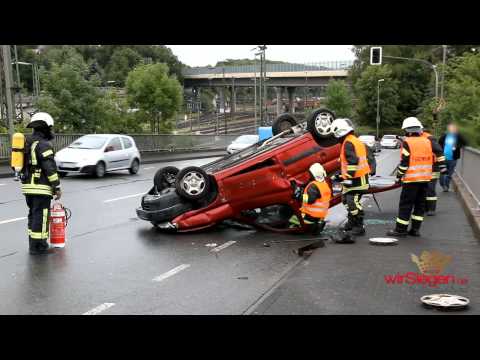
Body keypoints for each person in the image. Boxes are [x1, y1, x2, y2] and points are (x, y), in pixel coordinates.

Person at [387, 117, 446, 237]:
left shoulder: (407, 142)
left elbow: (405, 162)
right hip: (425, 179)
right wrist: (443, 167)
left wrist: (399, 175)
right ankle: (415, 229)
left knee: (406, 205)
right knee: (420, 205)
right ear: (419, 129)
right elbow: (439, 151)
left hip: (411, 180)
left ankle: (401, 230)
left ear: (407, 131)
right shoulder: (427, 141)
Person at [21, 112, 62, 254]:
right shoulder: (44, 145)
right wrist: (57, 186)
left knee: (33, 214)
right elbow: (49, 168)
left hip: (28, 185)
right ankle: (40, 246)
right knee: (42, 216)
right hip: (41, 187)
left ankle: (33, 245)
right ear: (45, 128)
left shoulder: (27, 142)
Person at [330, 118, 370, 238]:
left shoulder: (348, 143)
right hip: (356, 178)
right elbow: (348, 162)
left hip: (356, 180)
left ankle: (359, 226)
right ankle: (352, 222)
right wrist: (340, 175)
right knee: (345, 200)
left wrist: (347, 178)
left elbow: (353, 162)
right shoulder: (353, 140)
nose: (336, 138)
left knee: (353, 201)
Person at [290, 163, 331, 236]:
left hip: (310, 215)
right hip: (320, 215)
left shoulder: (313, 186)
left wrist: (298, 195)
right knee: (313, 222)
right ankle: (317, 225)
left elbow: (310, 199)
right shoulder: (323, 184)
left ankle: (307, 228)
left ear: (313, 174)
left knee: (292, 218)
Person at [421, 128, 445, 216]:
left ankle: (431, 209)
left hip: (433, 167)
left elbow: (439, 152)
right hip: (423, 167)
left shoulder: (429, 138)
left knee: (430, 188)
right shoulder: (420, 138)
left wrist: (442, 166)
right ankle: (425, 208)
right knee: (424, 189)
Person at [438, 122, 467, 192]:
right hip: (443, 158)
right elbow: (439, 144)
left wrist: (456, 146)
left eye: (453, 128)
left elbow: (464, 143)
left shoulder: (458, 136)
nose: (452, 129)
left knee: (449, 173)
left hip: (453, 158)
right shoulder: (444, 136)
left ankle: (446, 186)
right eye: (450, 127)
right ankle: (442, 184)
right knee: (442, 172)